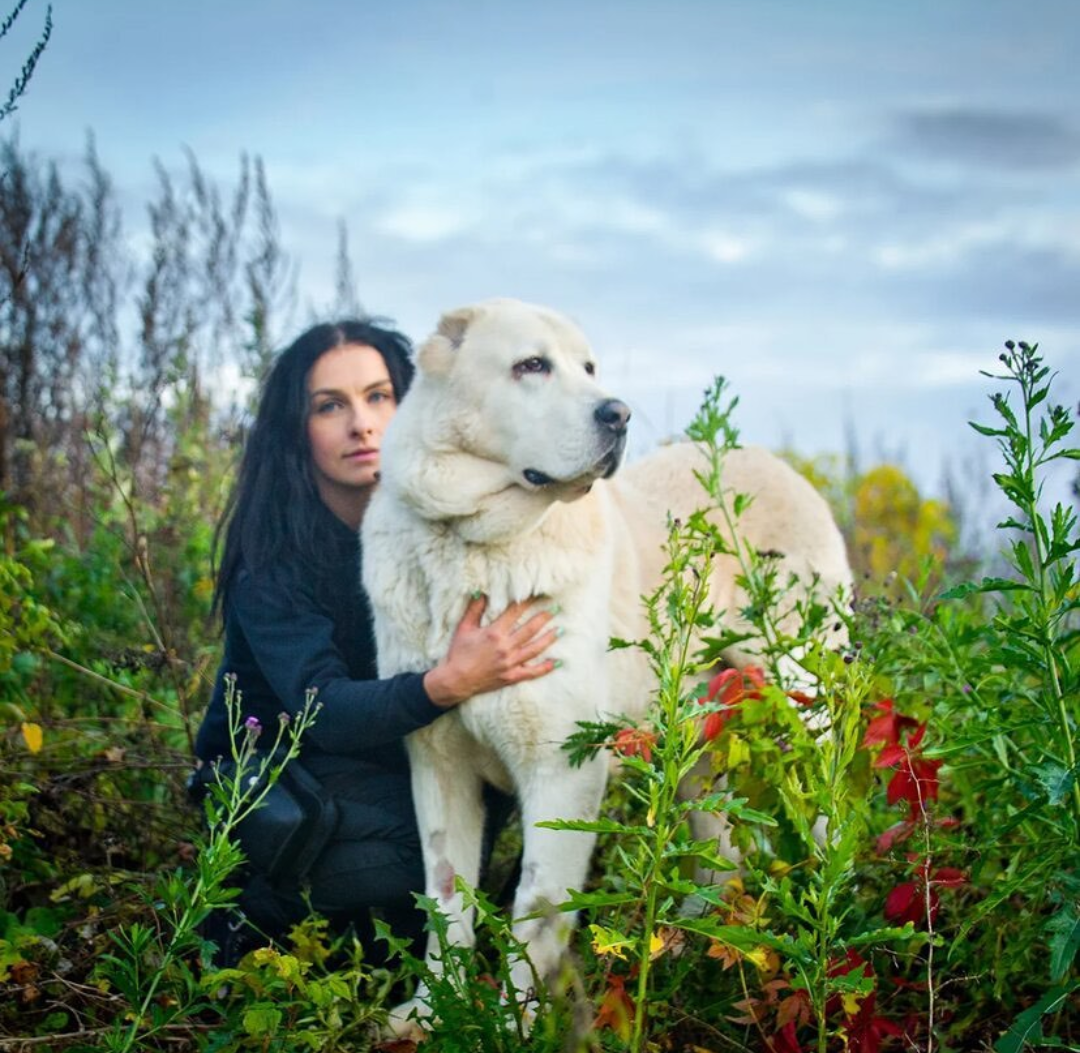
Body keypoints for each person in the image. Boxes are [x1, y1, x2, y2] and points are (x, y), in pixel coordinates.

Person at [192, 318, 557, 965]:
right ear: (296, 430)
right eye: (329, 405)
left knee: (510, 764)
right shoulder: (273, 560)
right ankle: (245, 919)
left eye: (378, 396)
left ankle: (470, 950)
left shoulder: (437, 529)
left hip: (384, 762)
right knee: (424, 846)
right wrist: (449, 682)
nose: (360, 423)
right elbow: (322, 710)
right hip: (276, 775)